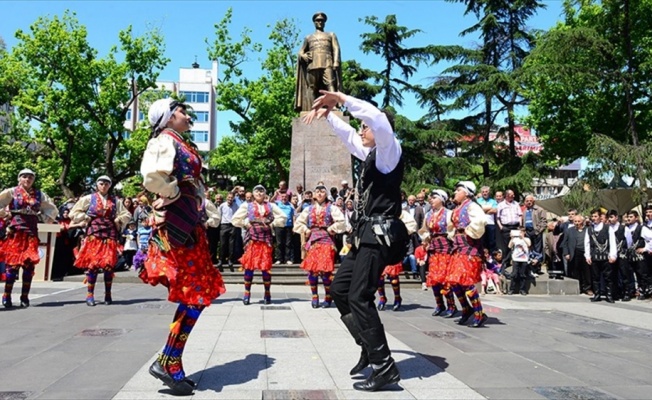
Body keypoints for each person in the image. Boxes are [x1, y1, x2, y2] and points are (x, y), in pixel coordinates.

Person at [303, 90, 406, 392]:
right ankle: (368, 346)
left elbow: (374, 118)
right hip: (365, 237)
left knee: (360, 296)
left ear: (382, 131)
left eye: (367, 127)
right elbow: (350, 137)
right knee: (339, 290)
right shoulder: (374, 155)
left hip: (379, 236)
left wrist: (342, 99)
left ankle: (385, 367)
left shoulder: (390, 151)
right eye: (362, 126)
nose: (362, 128)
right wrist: (330, 116)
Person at [139, 98, 226, 395]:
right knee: (194, 294)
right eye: (182, 111)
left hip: (189, 226)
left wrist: (204, 209)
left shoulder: (180, 144)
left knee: (197, 295)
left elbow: (192, 185)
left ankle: (169, 358)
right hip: (177, 229)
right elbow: (152, 177)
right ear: (168, 116)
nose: (188, 116)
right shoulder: (164, 141)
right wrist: (173, 191)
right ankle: (169, 360)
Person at [0, 168, 58, 308]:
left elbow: (51, 208)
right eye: (24, 177)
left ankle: (24, 296)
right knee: (12, 267)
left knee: (28, 266)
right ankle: (7, 295)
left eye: (30, 177)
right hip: (16, 232)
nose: (27, 179)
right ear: (19, 179)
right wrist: (5, 215)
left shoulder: (39, 194)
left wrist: (44, 218)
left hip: (31, 233)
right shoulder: (11, 192)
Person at [70, 176, 131, 306]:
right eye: (101, 183)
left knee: (109, 265)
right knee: (93, 266)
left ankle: (108, 294)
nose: (104, 186)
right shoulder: (88, 198)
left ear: (109, 186)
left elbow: (126, 214)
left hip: (109, 234)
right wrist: (85, 217)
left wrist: (118, 220)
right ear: (97, 185)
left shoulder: (115, 201)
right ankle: (90, 295)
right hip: (94, 234)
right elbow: (73, 212)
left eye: (106, 184)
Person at [231, 185, 286, 305]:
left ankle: (267, 293)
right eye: (257, 191)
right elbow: (235, 219)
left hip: (266, 239)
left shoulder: (271, 205)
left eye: (262, 191)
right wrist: (246, 223)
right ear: (253, 193)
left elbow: (283, 217)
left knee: (265, 268)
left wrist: (272, 224)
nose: (259, 193)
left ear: (265, 193)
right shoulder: (247, 205)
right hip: (252, 239)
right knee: (249, 267)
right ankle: (247, 293)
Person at [294, 184, 345, 308]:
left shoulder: (332, 208)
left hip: (326, 240)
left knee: (326, 271)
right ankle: (314, 296)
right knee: (312, 270)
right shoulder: (309, 209)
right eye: (317, 191)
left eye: (322, 191)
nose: (320, 194)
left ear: (326, 194)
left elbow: (342, 221)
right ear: (314, 194)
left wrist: (332, 228)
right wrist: (305, 230)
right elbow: (298, 222)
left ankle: (328, 296)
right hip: (313, 241)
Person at [448, 181, 488, 327]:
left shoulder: (472, 206)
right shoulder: (458, 208)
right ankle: (466, 309)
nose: (455, 193)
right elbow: (451, 226)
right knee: (454, 282)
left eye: (458, 190)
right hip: (458, 250)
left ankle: (479, 313)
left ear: (467, 193)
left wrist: (467, 232)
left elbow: (480, 221)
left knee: (467, 282)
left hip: (469, 249)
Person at [419, 189, 456, 317]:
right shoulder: (428, 214)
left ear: (442, 199)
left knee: (445, 278)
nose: (431, 200)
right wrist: (426, 239)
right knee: (434, 278)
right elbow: (423, 230)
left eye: (434, 198)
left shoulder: (448, 213)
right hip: (434, 249)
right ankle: (439, 304)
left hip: (445, 248)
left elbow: (453, 231)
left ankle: (451, 305)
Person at [294, 12, 342, 112]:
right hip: (313, 65)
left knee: (330, 84)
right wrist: (303, 56)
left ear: (324, 23)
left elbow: (336, 48)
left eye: (321, 21)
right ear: (314, 23)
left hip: (327, 63)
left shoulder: (331, 35)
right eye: (317, 20)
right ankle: (312, 107)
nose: (320, 22)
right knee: (312, 87)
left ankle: (333, 106)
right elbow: (301, 51)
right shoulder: (308, 37)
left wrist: (336, 61)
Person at [376, 210, 417, 312]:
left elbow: (412, 225)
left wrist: (400, 232)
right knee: (379, 277)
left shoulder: (400, 211)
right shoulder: (376, 211)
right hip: (380, 247)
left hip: (393, 246)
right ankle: (382, 297)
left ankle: (397, 297)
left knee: (393, 277)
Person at [584, 208, 617, 302]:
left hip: (606, 257)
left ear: (600, 217)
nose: (593, 218)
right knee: (595, 277)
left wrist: (613, 255)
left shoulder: (607, 228)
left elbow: (612, 242)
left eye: (595, 216)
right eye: (592, 216)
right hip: (595, 257)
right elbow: (587, 243)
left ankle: (609, 295)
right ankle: (597, 294)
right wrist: (587, 256)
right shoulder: (589, 229)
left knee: (608, 277)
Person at [217, 192, 239, 272]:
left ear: (233, 198)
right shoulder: (222, 205)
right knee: (223, 244)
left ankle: (230, 260)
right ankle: (221, 260)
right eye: (229, 197)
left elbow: (237, 215)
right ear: (227, 198)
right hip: (224, 225)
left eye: (231, 198)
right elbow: (219, 215)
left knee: (231, 244)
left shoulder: (236, 206)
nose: (230, 199)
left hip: (232, 225)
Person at [508, 228, 532, 295]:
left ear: (524, 232)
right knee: (514, 274)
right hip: (516, 258)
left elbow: (529, 245)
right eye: (519, 231)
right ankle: (511, 289)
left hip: (524, 259)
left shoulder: (527, 239)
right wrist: (512, 238)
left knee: (523, 274)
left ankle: (522, 289)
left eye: (522, 231)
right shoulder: (515, 240)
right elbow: (509, 246)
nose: (520, 233)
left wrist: (523, 238)